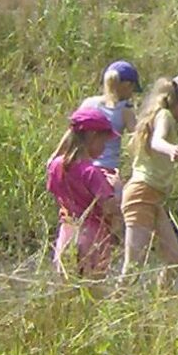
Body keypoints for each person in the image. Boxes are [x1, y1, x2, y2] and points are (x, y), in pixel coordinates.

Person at [120, 73, 178, 270]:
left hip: (153, 197)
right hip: (142, 194)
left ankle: (164, 300)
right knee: (133, 267)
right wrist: (171, 149)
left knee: (177, 261)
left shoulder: (158, 114)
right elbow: (157, 141)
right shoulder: (165, 115)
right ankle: (114, 299)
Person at [46, 98, 121, 277]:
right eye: (103, 142)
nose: (103, 149)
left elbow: (52, 188)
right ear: (93, 137)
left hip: (66, 234)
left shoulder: (56, 165)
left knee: (67, 287)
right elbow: (109, 207)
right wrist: (118, 188)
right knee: (93, 288)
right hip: (93, 238)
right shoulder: (91, 172)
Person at [93, 61, 141, 175]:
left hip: (84, 167)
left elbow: (72, 133)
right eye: (132, 89)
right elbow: (138, 138)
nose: (131, 94)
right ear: (127, 85)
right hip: (108, 170)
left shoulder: (89, 103)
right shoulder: (125, 111)